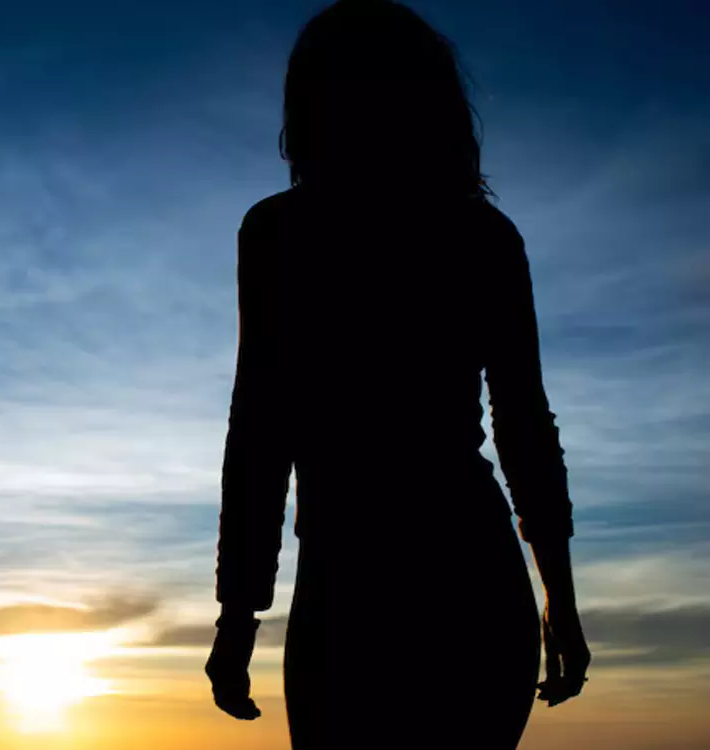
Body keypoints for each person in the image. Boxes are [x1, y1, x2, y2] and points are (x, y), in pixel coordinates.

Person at [202, 1, 592, 746]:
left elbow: (260, 432)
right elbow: (524, 428)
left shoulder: (281, 233)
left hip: (353, 586)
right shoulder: (483, 235)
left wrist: (238, 616)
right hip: (465, 575)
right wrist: (560, 599)